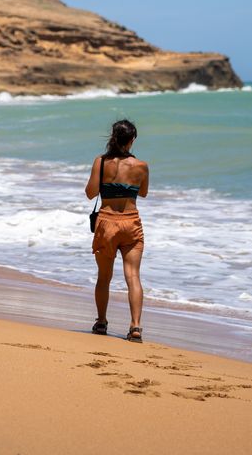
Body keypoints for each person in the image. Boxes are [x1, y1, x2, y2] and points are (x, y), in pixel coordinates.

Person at [85, 118, 149, 343]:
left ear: (113, 137)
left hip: (107, 224)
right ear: (132, 140)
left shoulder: (101, 162)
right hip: (131, 223)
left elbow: (90, 193)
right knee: (133, 276)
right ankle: (135, 326)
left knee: (104, 277)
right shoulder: (141, 166)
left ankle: (102, 322)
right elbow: (143, 193)